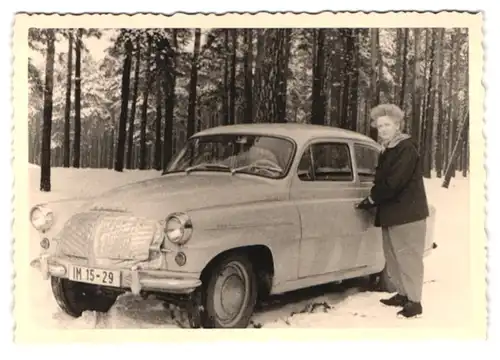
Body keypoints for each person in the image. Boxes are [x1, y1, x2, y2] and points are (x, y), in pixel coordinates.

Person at [356, 104, 430, 319]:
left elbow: (394, 182)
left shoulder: (406, 147)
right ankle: (403, 294)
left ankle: (415, 302)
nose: (383, 130)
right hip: (393, 213)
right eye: (380, 126)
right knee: (394, 257)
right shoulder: (389, 148)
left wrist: (372, 198)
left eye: (387, 125)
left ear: (397, 125)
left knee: (408, 258)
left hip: (408, 215)